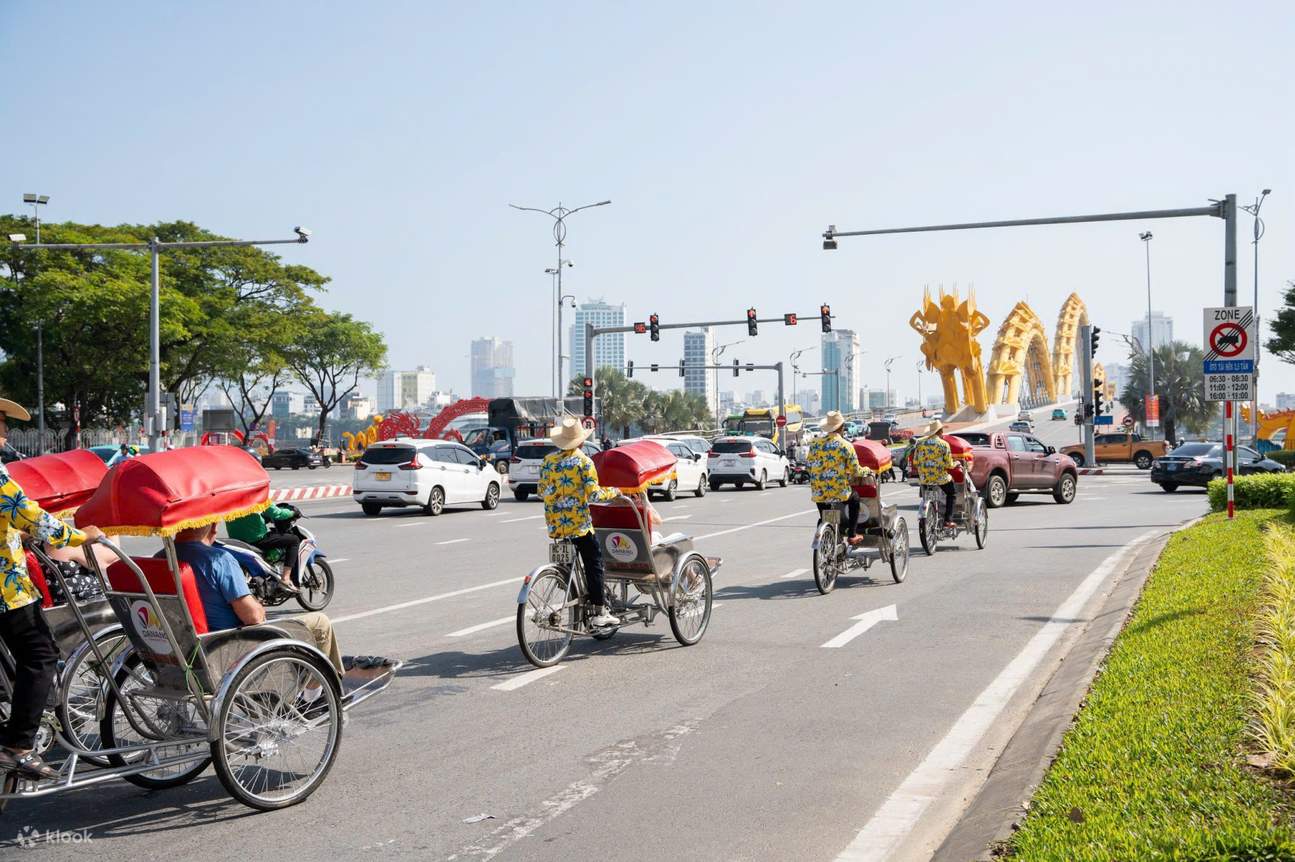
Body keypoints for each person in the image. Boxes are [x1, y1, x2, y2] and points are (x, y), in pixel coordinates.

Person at [0, 396, 105, 779]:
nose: (5, 432)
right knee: (41, 655)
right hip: (6, 589)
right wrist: (81, 537)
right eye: (1, 424)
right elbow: (32, 516)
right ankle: (19, 746)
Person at [173, 522, 343, 686]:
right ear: (213, 527)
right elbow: (253, 617)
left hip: (183, 650)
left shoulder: (162, 558)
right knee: (321, 623)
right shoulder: (218, 559)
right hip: (229, 647)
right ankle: (314, 696)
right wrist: (258, 606)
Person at [538, 416, 620, 627]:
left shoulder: (548, 461)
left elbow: (541, 491)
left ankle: (565, 582)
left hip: (555, 526)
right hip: (579, 527)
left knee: (570, 563)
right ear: (581, 441)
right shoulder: (584, 462)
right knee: (594, 563)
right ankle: (600, 611)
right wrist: (615, 492)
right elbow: (594, 495)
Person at [807, 411, 871, 545]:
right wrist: (867, 471)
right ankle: (852, 534)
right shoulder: (846, 445)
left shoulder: (815, 444)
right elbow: (855, 471)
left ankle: (828, 535)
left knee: (825, 518)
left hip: (819, 492)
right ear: (842, 427)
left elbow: (809, 466)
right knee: (855, 499)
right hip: (839, 492)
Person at [225, 502, 301, 593]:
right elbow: (277, 513)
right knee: (294, 540)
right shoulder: (257, 495)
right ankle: (286, 578)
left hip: (237, 541)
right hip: (257, 540)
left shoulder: (229, 499)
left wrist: (262, 518)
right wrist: (292, 513)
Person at [912, 419, 958, 528]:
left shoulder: (920, 442)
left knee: (926, 498)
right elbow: (949, 464)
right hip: (940, 478)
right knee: (952, 493)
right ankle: (948, 520)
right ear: (940, 431)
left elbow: (915, 461)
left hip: (924, 478)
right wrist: (956, 464)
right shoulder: (944, 444)